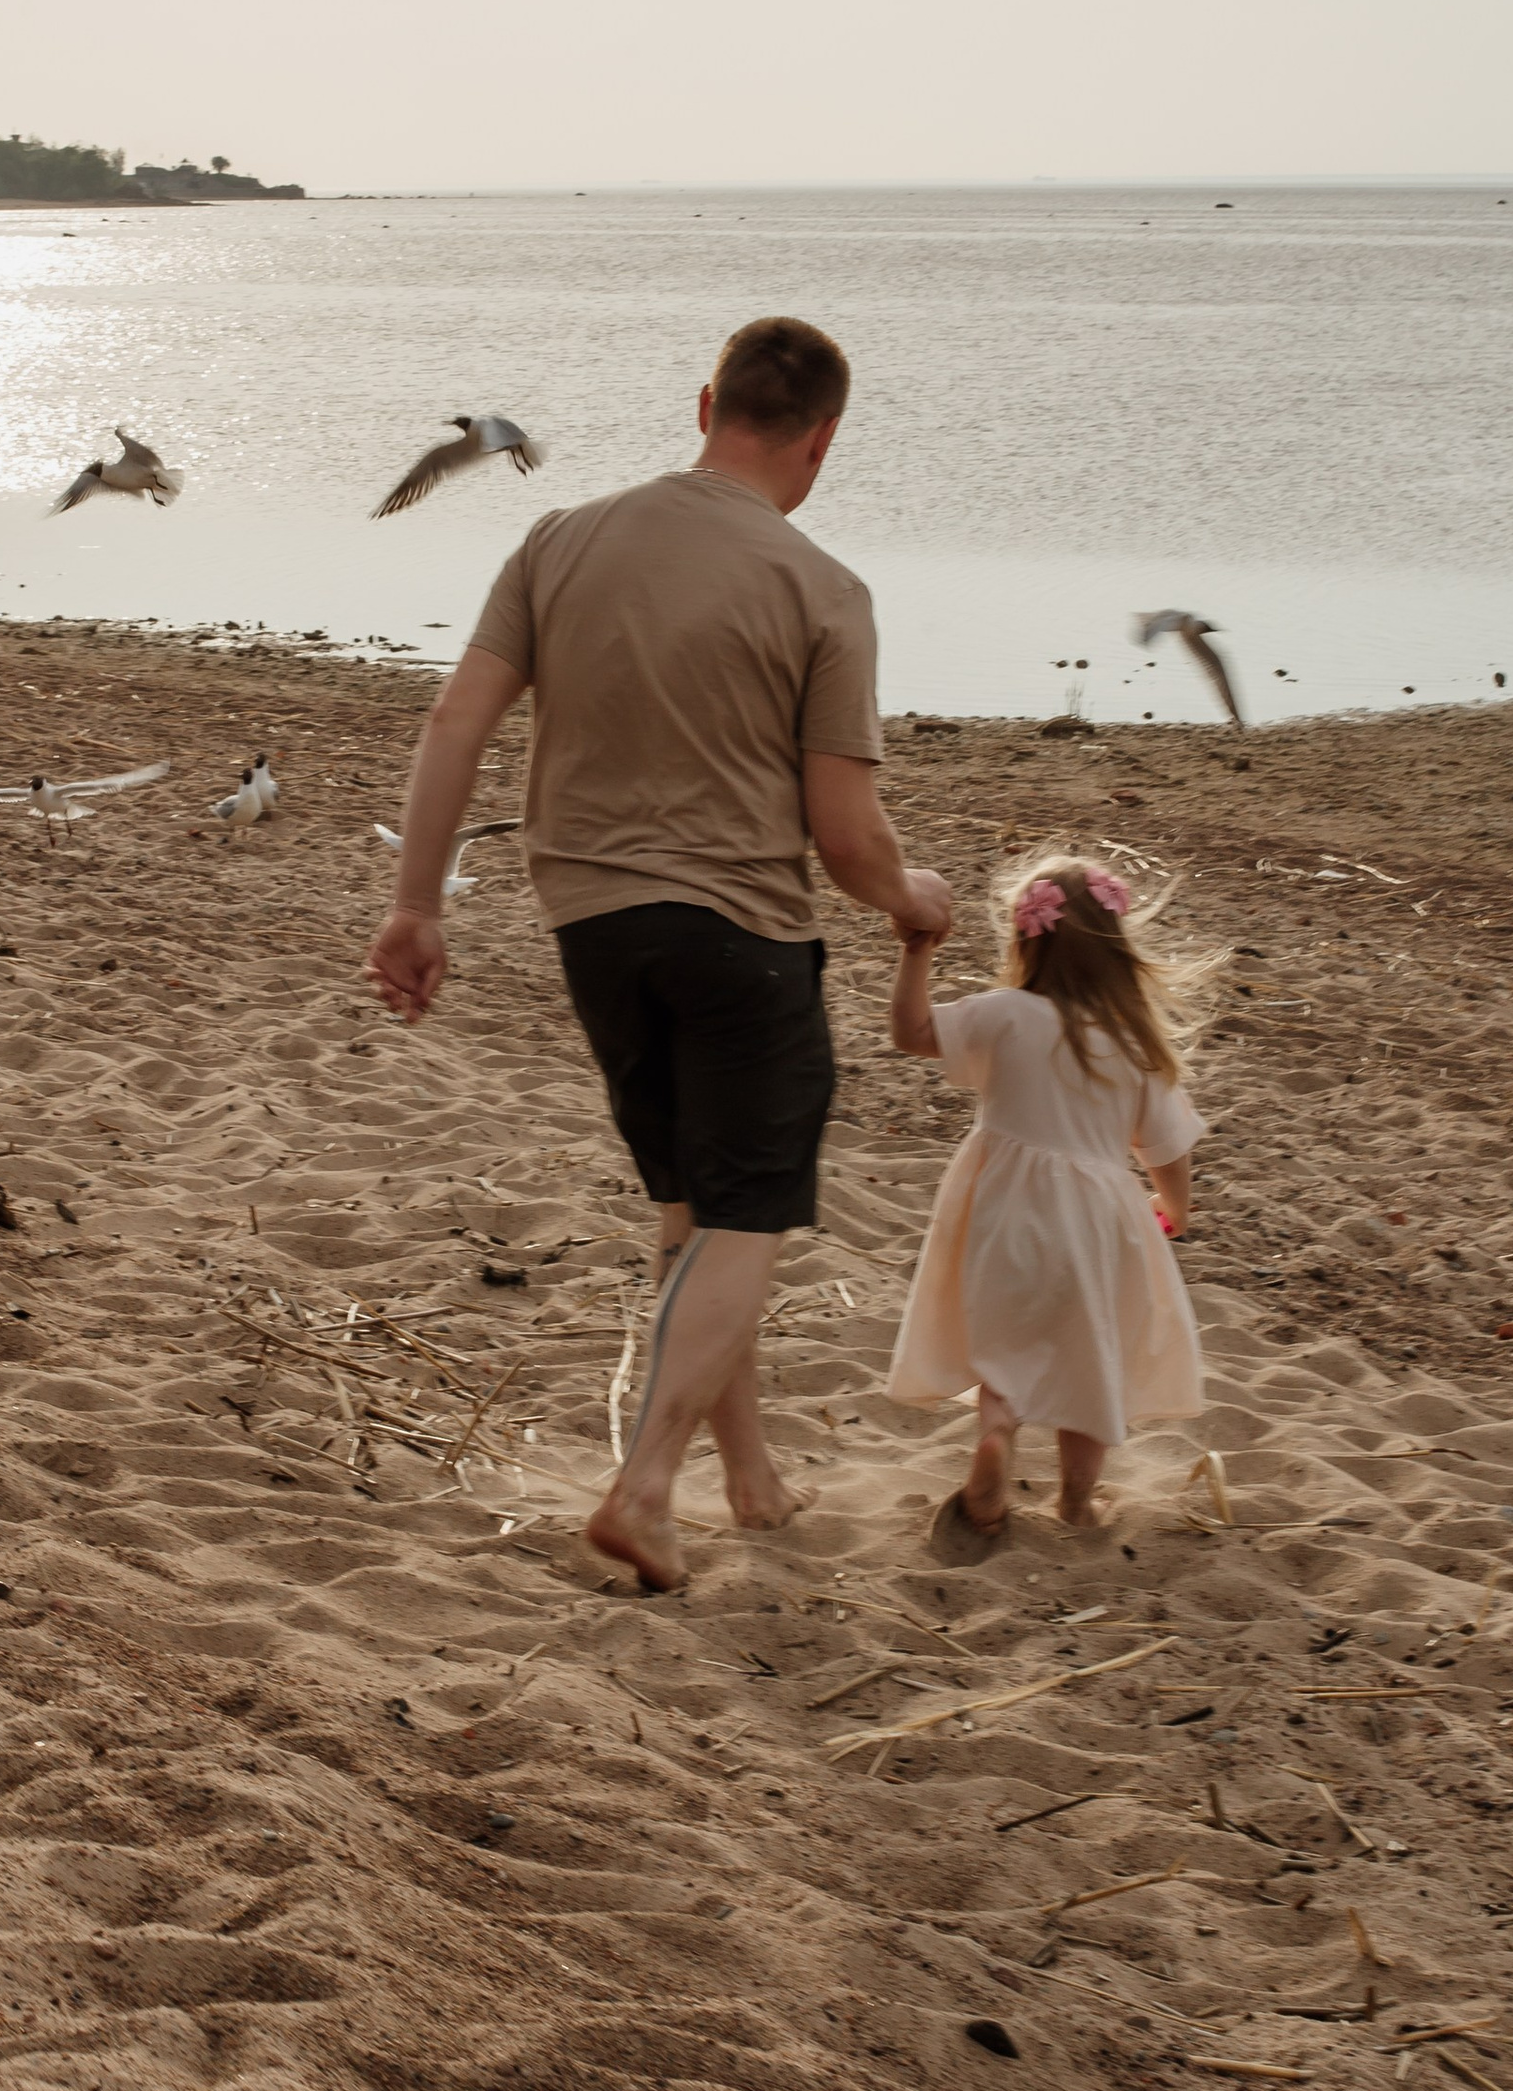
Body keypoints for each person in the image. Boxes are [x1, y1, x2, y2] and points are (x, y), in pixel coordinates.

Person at [366, 315, 953, 1591]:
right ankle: (643, 1486)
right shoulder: (822, 590)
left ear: (704, 405)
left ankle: (746, 1477)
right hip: (741, 931)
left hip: (589, 922)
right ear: (824, 440)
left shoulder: (560, 537)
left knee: (693, 1206)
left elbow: (456, 720)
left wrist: (418, 905)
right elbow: (845, 834)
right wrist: (913, 902)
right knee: (750, 1213)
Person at [886, 857, 1205, 1546]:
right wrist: (1174, 1207)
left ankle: (997, 1432)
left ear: (1024, 940)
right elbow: (1167, 1147)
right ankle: (1077, 1503)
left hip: (1005, 1209)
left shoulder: (1004, 1015)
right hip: (1098, 1222)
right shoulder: (1136, 1043)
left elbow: (910, 1033)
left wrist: (916, 955)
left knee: (1007, 1340)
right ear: (1119, 952)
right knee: (1088, 1358)